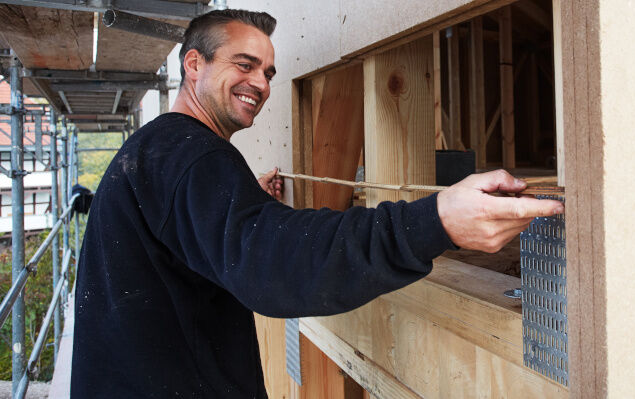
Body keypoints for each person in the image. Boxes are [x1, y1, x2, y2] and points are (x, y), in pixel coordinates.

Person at [71, 9, 564, 398]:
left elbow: (211, 246)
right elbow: (275, 266)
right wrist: (434, 221)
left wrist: (241, 210)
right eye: (244, 65)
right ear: (194, 64)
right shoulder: (188, 154)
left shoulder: (161, 151)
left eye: (267, 71)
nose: (262, 84)